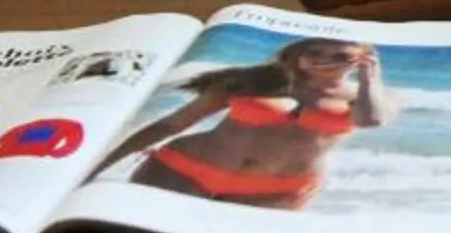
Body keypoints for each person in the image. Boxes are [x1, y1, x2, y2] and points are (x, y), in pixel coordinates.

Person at [95, 37, 393, 210]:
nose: (322, 60)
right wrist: (96, 167)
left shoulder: (362, 97)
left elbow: (372, 120)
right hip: (184, 169)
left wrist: (371, 78)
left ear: (360, 60)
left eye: (340, 56)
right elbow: (172, 124)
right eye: (314, 52)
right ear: (299, 56)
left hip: (277, 190)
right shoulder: (253, 82)